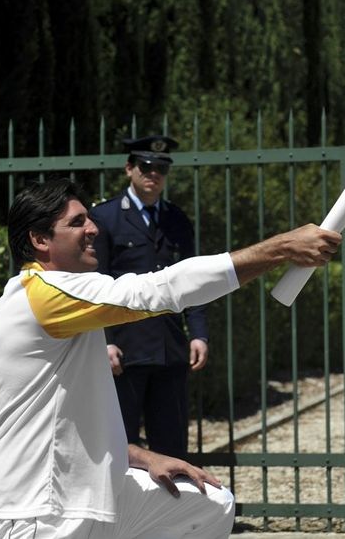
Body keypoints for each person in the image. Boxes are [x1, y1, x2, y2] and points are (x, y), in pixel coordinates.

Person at [0, 178, 341, 539]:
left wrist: (142, 456)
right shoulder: (42, 295)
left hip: (81, 498)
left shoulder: (60, 299)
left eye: (88, 218)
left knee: (208, 505)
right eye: (76, 222)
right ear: (40, 240)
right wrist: (281, 248)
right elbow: (158, 290)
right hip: (34, 513)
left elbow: (70, 425)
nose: (93, 228)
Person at [90, 135, 205, 459]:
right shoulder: (105, 218)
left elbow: (192, 280)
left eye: (161, 168)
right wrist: (104, 341)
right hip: (125, 349)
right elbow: (96, 283)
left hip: (169, 349)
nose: (153, 174)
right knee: (120, 447)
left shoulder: (176, 219)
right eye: (146, 166)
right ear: (129, 169)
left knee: (171, 449)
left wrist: (198, 333)